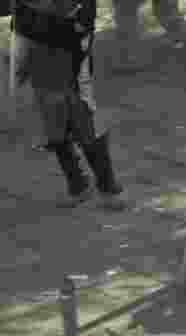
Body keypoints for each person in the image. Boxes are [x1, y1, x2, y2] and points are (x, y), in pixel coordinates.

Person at [13, 0, 127, 209]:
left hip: (71, 53)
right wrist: (20, 51)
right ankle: (78, 184)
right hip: (38, 50)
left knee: (85, 120)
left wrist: (78, 27)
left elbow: (84, 20)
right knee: (53, 124)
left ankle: (108, 187)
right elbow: (21, 16)